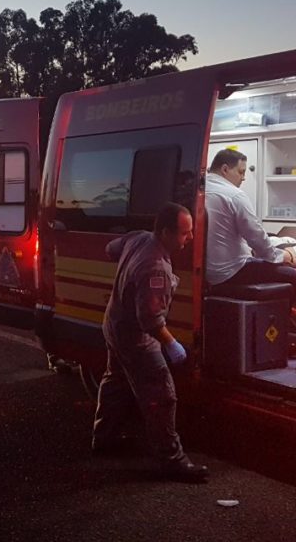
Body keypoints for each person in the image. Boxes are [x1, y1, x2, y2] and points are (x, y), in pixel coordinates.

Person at [91, 202, 209, 482]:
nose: (190, 238)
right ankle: (172, 460)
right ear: (166, 232)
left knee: (115, 382)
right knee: (162, 395)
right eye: (184, 233)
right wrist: (172, 345)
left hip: (113, 324)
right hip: (136, 338)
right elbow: (151, 321)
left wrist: (127, 274)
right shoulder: (154, 267)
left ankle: (103, 439)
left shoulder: (139, 237)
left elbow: (111, 249)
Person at [205, 148, 296, 290]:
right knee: (292, 275)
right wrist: (284, 257)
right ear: (225, 169)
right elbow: (256, 237)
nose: (243, 178)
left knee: (270, 241)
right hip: (231, 271)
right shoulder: (234, 195)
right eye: (241, 172)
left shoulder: (200, 189)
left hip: (208, 271)